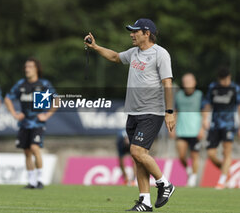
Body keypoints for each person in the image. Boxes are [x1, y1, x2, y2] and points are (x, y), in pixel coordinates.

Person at [84, 18, 175, 212]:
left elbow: (167, 83)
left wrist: (169, 112)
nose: (131, 34)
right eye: (131, 31)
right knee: (139, 158)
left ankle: (165, 183)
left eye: (135, 31)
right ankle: (145, 202)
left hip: (152, 112)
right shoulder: (133, 53)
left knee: (137, 152)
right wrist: (96, 47)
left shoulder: (161, 54)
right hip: (133, 112)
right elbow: (116, 57)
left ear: (147, 33)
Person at [5, 58, 57, 189]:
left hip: (37, 124)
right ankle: (31, 181)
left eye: (30, 66)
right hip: (24, 124)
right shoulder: (21, 84)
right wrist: (14, 114)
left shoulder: (43, 84)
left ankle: (40, 180)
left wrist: (47, 115)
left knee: (35, 148)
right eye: (26, 67)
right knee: (27, 152)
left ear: (36, 69)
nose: (27, 69)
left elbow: (57, 100)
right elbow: (7, 98)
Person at [203, 67, 240, 189]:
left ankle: (222, 180)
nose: (224, 82)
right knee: (211, 154)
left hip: (229, 124)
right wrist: (205, 119)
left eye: (226, 79)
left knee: (226, 151)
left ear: (230, 77)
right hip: (215, 125)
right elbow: (207, 104)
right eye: (222, 80)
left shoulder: (235, 89)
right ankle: (226, 170)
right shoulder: (213, 87)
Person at [169, 73, 205, 187]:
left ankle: (193, 178)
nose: (187, 84)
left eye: (189, 82)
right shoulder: (179, 95)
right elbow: (175, 112)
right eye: (185, 82)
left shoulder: (199, 95)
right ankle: (188, 170)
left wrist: (202, 128)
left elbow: (204, 113)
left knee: (195, 156)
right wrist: (172, 129)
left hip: (195, 131)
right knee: (181, 155)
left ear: (194, 83)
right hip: (181, 130)